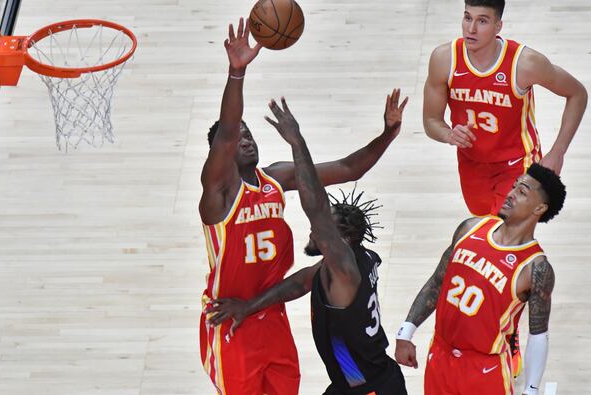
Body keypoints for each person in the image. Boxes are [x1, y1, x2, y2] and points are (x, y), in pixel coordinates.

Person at [200, 17, 408, 395]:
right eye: (236, 138)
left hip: (270, 313)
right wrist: (236, 72)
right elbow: (227, 130)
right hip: (231, 315)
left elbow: (348, 168)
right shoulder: (217, 196)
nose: (244, 139)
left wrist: (387, 135)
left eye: (249, 134)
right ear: (219, 156)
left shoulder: (276, 178)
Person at [422, 0, 586, 373]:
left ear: (498, 25)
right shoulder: (443, 58)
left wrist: (558, 153)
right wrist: (447, 134)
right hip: (473, 168)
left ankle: (507, 346)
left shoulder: (523, 63)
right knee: (487, 254)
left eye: (482, 21)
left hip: (519, 169)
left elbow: (577, 93)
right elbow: (430, 119)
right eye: (467, 17)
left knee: (502, 258)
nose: (471, 28)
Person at [394, 163, 566, 395]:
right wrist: (406, 332)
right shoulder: (470, 228)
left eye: (522, 192)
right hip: (440, 356)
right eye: (514, 186)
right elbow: (437, 282)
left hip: (486, 370)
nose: (511, 193)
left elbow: (538, 333)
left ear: (539, 208)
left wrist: (531, 389)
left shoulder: (535, 268)